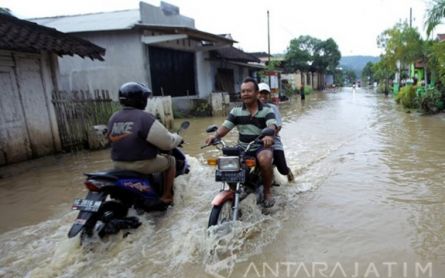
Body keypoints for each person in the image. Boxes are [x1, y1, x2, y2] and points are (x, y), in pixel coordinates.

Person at [107, 82, 182, 209]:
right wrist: (178, 138)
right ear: (141, 100)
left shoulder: (114, 117)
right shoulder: (144, 118)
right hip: (141, 165)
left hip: (117, 164)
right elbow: (167, 142)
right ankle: (167, 195)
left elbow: (111, 139)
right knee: (171, 161)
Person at [205, 77, 278, 207]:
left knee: (265, 160)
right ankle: (234, 191)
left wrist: (269, 136)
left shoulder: (267, 110)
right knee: (226, 165)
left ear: (257, 93)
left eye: (249, 91)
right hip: (243, 148)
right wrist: (215, 136)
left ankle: (267, 191)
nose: (245, 94)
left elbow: (272, 125)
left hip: (261, 146)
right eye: (243, 91)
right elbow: (225, 127)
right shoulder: (236, 111)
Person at [258, 82, 294, 182]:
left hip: (273, 141)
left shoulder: (272, 108)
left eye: (265, 93)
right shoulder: (251, 108)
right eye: (261, 93)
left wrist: (269, 136)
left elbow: (278, 126)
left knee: (282, 169)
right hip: (255, 141)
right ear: (256, 93)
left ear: (268, 95)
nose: (263, 96)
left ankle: (289, 173)